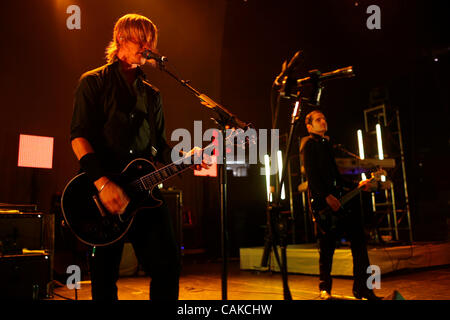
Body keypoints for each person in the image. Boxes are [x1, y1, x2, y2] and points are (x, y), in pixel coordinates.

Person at [70, 13, 206, 300]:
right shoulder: (93, 82)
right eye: (139, 39)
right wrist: (102, 183)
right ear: (120, 38)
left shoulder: (152, 94)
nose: (146, 46)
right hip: (103, 194)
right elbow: (79, 137)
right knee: (105, 277)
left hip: (144, 194)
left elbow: (158, 148)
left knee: (168, 265)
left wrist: (185, 155)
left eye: (150, 41)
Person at [301, 110, 382, 300]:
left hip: (340, 201)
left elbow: (336, 177)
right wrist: (326, 196)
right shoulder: (309, 145)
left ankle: (363, 289)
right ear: (309, 126)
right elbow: (312, 175)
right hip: (324, 204)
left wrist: (356, 185)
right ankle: (325, 288)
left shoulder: (328, 145)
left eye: (324, 118)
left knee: (359, 243)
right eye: (318, 119)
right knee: (327, 247)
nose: (323, 121)